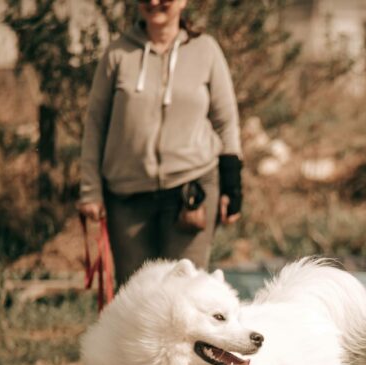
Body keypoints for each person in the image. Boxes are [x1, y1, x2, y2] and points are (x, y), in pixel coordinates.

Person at [79, 0, 243, 286]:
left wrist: (232, 185)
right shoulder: (118, 53)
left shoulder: (206, 50)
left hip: (191, 192)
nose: (154, 2)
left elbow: (226, 121)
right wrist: (90, 190)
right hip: (126, 196)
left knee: (186, 293)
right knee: (136, 295)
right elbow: (95, 123)